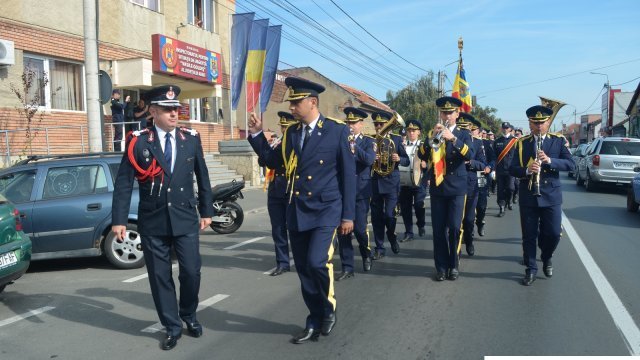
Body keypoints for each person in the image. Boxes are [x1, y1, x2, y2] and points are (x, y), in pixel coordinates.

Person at [247, 77, 355, 344]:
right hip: (297, 211)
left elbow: (348, 176)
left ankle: (328, 311)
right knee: (305, 270)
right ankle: (314, 318)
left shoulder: (337, 131)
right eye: (292, 103)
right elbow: (274, 162)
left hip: (326, 210)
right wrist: (257, 135)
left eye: (296, 103)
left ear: (312, 102)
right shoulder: (293, 133)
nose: (292, 108)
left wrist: (348, 215)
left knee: (318, 262)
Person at [111, 85, 214, 350]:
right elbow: (124, 183)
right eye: (167, 109)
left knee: (191, 272)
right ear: (153, 111)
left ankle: (189, 314)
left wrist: (207, 210)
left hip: (184, 217)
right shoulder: (139, 141)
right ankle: (172, 326)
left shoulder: (190, 138)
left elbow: (202, 176)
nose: (173, 114)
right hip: (153, 220)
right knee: (160, 277)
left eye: (176, 109)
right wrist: (119, 220)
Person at [509, 105, 574, 286]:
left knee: (553, 233)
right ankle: (530, 269)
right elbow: (512, 168)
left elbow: (571, 165)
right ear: (530, 123)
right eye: (535, 123)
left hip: (551, 194)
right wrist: (527, 170)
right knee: (529, 235)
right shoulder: (521, 143)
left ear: (548, 122)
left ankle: (546, 256)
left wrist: (550, 161)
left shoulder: (558, 141)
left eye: (542, 123)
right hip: (528, 194)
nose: (539, 126)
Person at [417, 96, 473, 281]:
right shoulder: (434, 132)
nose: (447, 115)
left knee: (455, 228)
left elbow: (469, 155)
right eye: (444, 112)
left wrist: (454, 139)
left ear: (457, 114)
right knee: (439, 229)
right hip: (438, 187)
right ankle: (440, 267)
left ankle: (453, 264)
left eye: (450, 112)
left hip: (457, 187)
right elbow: (422, 154)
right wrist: (431, 137)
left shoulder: (464, 134)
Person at [250, 111, 297, 277]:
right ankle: (282, 263)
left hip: (292, 190)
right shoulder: (278, 142)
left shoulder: (297, 141)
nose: (284, 129)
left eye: (287, 126)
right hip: (276, 190)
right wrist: (262, 141)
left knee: (295, 229)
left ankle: (301, 260)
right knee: (278, 229)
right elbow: (264, 160)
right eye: (282, 126)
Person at [335, 107, 376, 281]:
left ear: (361, 124)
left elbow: (368, 159)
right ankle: (347, 266)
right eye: (348, 122)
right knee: (343, 231)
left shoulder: (368, 142)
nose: (350, 126)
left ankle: (366, 253)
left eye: (353, 123)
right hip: (342, 191)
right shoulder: (340, 140)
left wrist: (353, 146)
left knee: (359, 229)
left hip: (360, 191)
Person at [370, 110, 409, 259]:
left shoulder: (397, 140)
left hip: (392, 182)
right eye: (377, 124)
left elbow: (406, 160)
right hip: (376, 182)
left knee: (389, 215)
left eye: (381, 124)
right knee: (376, 217)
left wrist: (398, 158)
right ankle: (379, 248)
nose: (379, 126)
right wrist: (372, 158)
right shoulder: (371, 140)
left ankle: (392, 237)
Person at [458, 113, 486, 256]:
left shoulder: (477, 142)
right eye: (460, 126)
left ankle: (469, 241)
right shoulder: (449, 139)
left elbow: (483, 164)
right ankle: (455, 250)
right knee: (454, 221)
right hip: (454, 184)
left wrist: (470, 162)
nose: (464, 130)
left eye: (466, 127)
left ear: (470, 127)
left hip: (470, 184)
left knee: (469, 220)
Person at [398, 119, 427, 242]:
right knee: (405, 208)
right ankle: (409, 232)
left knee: (419, 205)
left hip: (419, 181)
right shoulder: (401, 145)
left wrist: (426, 165)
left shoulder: (423, 146)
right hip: (404, 182)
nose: (411, 133)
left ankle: (421, 224)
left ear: (419, 132)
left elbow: (431, 161)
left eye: (414, 131)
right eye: (409, 131)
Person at [493, 122, 517, 217]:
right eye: (503, 128)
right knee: (500, 189)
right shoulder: (497, 141)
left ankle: (509, 199)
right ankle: (501, 207)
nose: (505, 129)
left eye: (507, 128)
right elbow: (494, 156)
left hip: (511, 170)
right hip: (500, 169)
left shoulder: (515, 141)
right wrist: (493, 169)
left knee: (511, 188)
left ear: (510, 129)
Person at [476, 128, 496, 237]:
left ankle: (480, 222)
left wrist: (489, 167)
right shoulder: (464, 141)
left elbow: (493, 158)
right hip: (467, 176)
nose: (471, 131)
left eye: (474, 130)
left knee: (481, 203)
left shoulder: (486, 144)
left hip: (481, 175)